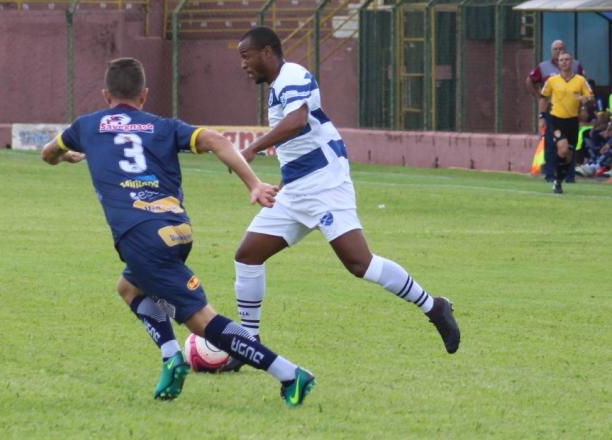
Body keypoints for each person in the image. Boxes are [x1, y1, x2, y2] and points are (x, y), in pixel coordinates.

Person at [41, 57, 316, 407]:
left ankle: (290, 374)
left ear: (105, 94)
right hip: (176, 230)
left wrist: (64, 156)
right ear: (144, 94)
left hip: (141, 238)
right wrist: (253, 183)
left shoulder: (86, 126)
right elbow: (217, 141)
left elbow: (48, 153)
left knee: (204, 322)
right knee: (128, 287)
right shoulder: (164, 126)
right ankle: (172, 357)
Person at [221, 27, 460, 372]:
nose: (243, 65)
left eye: (247, 56)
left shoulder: (293, 75)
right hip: (296, 188)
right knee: (247, 256)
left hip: (325, 183)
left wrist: (254, 147)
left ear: (268, 52)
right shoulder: (277, 87)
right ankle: (249, 346)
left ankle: (434, 307)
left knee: (359, 264)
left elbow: (299, 121)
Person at [525, 39, 585, 183]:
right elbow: (530, 81)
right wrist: (539, 98)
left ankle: (569, 175)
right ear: (551, 51)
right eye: (556, 49)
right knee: (552, 143)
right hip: (553, 110)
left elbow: (585, 85)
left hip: (571, 111)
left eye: (561, 48)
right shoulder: (544, 67)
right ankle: (551, 174)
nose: (559, 51)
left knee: (571, 144)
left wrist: (581, 104)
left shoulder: (576, 66)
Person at [539, 51, 594, 193]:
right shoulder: (552, 80)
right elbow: (543, 97)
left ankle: (558, 180)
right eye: (561, 60)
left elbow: (591, 97)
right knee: (562, 148)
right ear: (558, 63)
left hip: (572, 122)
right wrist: (541, 117)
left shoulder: (580, 80)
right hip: (555, 119)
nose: (564, 62)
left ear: (572, 63)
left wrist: (584, 99)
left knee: (568, 156)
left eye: (567, 60)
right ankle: (553, 176)